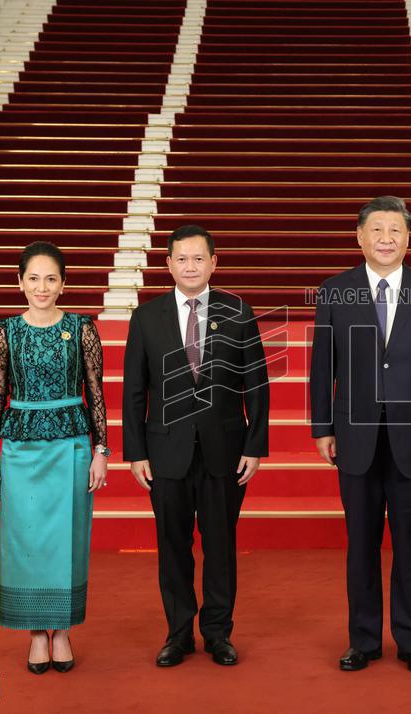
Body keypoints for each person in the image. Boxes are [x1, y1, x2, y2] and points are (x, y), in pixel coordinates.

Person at [309, 195, 411, 675]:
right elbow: (322, 368)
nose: (386, 239)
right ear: (359, 237)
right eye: (376, 230)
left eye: (395, 230)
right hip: (354, 437)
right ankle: (363, 639)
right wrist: (321, 427)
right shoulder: (335, 292)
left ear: (407, 238)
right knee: (360, 544)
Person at [122, 224, 269, 668]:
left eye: (199, 258)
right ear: (168, 264)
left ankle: (219, 634)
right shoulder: (146, 318)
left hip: (225, 450)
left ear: (213, 263)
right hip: (165, 452)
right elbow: (134, 390)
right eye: (182, 259)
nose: (190, 266)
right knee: (172, 546)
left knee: (221, 546)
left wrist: (255, 444)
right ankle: (179, 634)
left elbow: (256, 385)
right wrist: (136, 452)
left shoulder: (239, 312)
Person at [0, 241, 109, 675]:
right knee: (27, 540)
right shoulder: (5, 332)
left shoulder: (82, 328)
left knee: (69, 538)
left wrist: (101, 451)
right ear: (19, 283)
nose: (42, 286)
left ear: (63, 284)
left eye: (50, 278)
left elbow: (96, 394)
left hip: (72, 446)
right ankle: (37, 632)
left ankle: (63, 629)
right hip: (20, 450)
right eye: (33, 278)